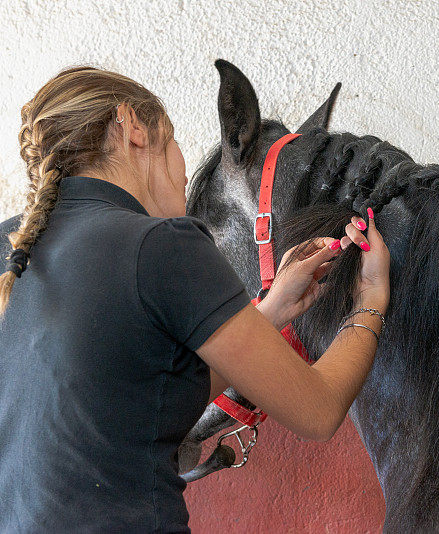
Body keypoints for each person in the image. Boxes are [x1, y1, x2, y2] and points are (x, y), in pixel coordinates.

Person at [0, 66, 390, 532]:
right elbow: (319, 411)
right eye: (174, 140)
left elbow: (138, 403)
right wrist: (370, 298)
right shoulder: (163, 243)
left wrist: (270, 311)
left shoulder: (12, 249)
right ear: (133, 127)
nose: (183, 167)